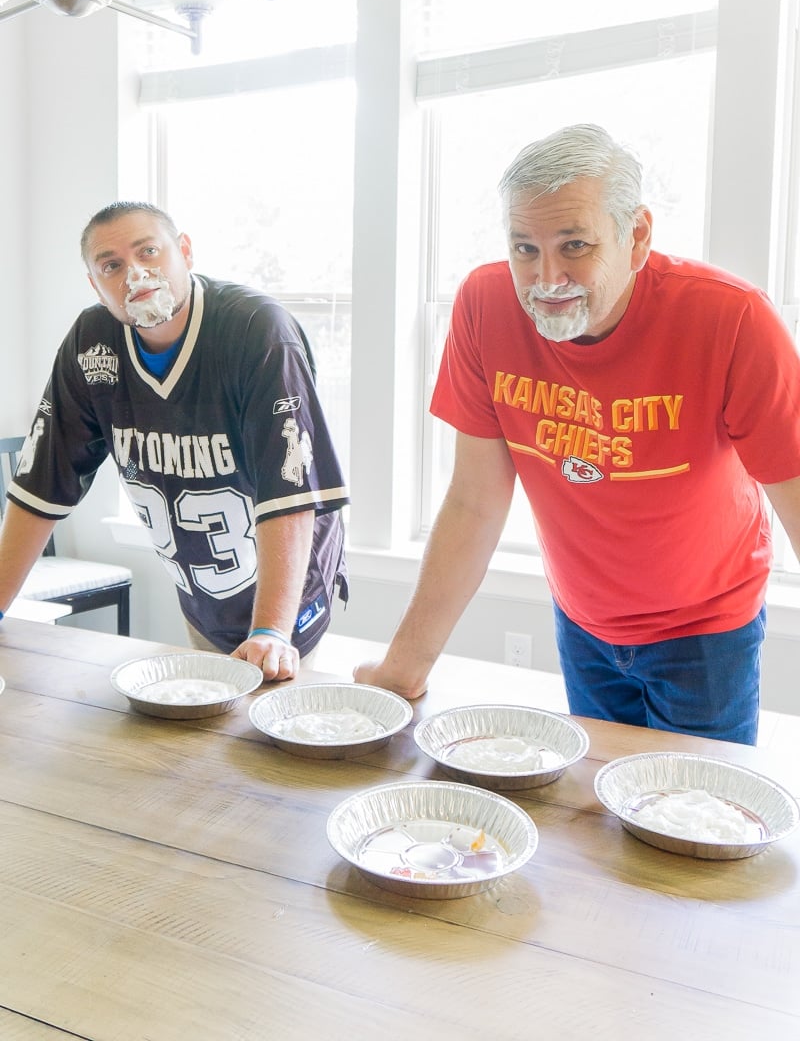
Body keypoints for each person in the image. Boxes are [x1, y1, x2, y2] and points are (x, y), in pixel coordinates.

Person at [355, 123, 800, 744]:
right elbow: (475, 501)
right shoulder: (485, 306)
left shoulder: (732, 320)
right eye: (524, 249)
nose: (546, 279)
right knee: (599, 819)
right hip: (582, 621)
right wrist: (404, 668)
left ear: (637, 236)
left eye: (574, 246)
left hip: (707, 633)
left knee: (697, 822)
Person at [0, 202, 349, 680]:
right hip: (203, 595)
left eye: (149, 251)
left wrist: (271, 631)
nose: (135, 273)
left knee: (272, 738)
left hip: (289, 597)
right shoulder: (91, 342)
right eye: (112, 265)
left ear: (184, 251)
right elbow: (42, 484)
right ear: (96, 287)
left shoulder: (256, 330)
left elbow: (288, 491)